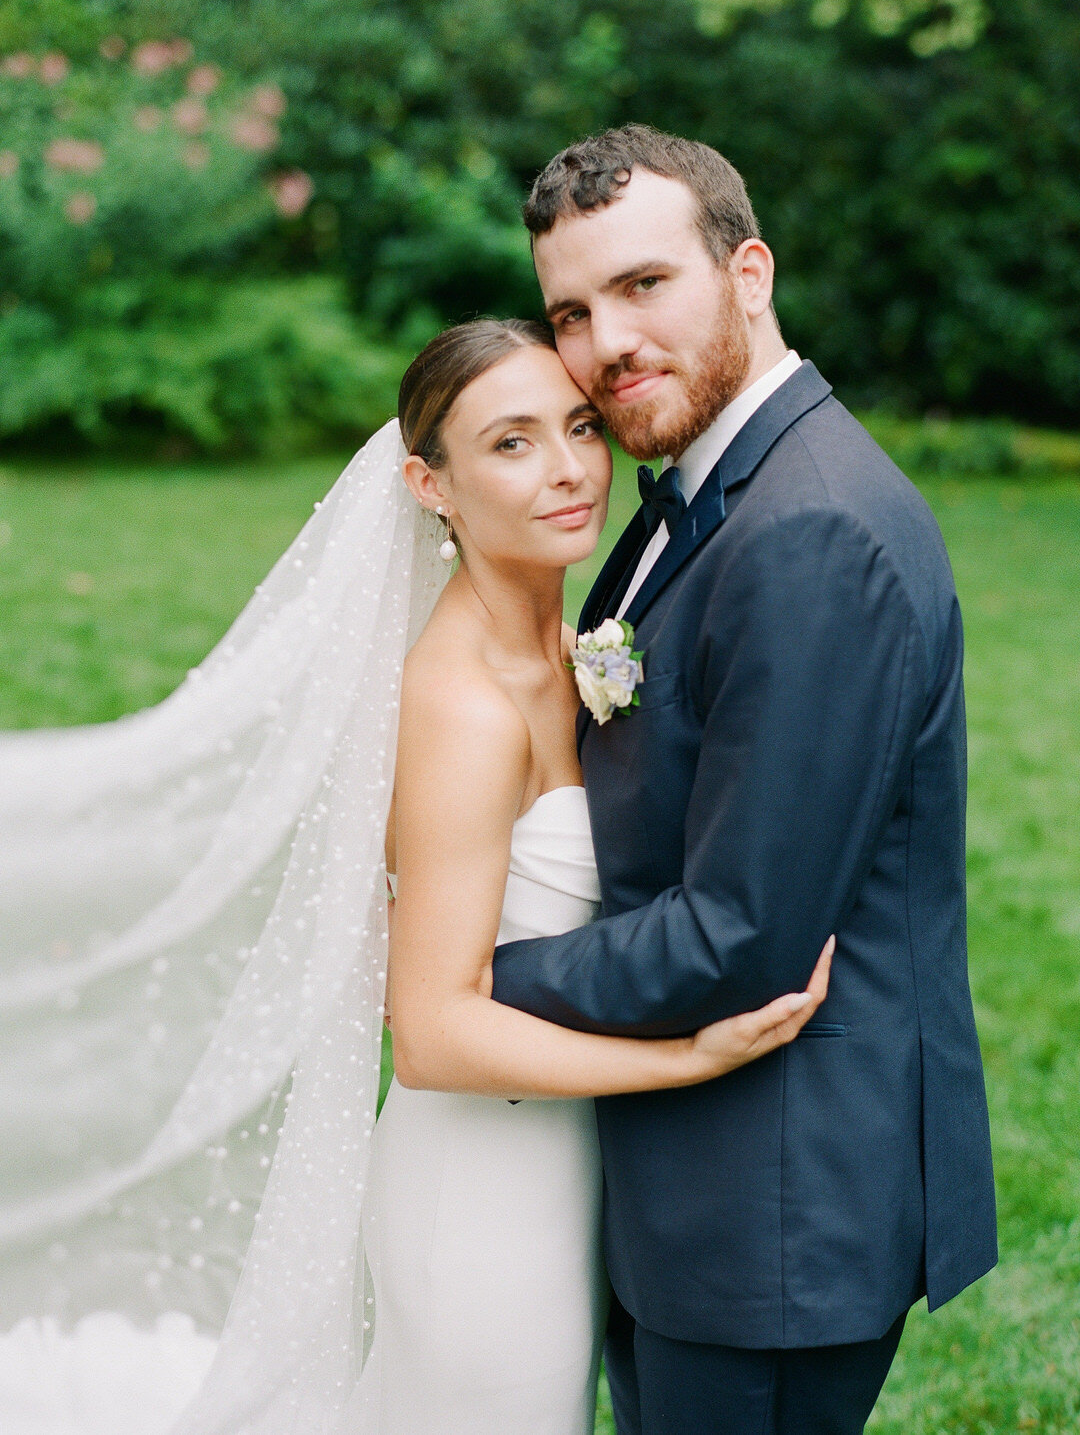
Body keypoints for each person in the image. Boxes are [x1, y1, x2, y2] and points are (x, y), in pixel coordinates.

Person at [0, 316, 831, 1435]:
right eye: (512, 444)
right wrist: (689, 1058)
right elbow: (433, 1034)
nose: (572, 469)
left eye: (580, 427)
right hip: (483, 1202)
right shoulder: (461, 705)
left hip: (569, 1166)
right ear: (428, 484)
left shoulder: (579, 643)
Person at [490, 124, 998, 1435]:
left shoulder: (813, 528)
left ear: (749, 273)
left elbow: (745, 934)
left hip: (771, 1203)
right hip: (696, 1177)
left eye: (645, 285)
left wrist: (475, 980)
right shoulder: (699, 498)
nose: (606, 341)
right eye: (573, 310)